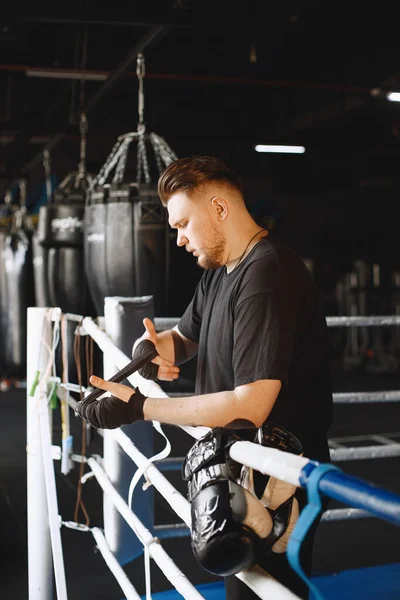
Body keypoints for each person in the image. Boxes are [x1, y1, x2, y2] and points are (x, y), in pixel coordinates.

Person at [79, 156, 333, 599]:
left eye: (182, 224)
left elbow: (250, 404)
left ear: (219, 209)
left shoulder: (266, 275)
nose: (178, 239)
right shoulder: (220, 272)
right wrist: (152, 351)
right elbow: (185, 336)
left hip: (277, 482)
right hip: (242, 469)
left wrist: (138, 406)